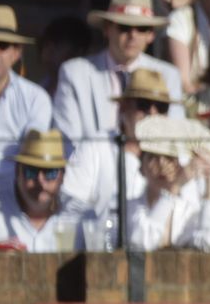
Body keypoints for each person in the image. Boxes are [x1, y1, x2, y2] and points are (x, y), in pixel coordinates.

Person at [53, 0, 184, 144]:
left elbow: (175, 137)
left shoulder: (168, 75)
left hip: (149, 166)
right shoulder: (75, 73)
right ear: (107, 29)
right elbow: (67, 140)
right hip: (92, 166)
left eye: (142, 28)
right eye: (124, 27)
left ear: (151, 35)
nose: (132, 35)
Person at [61, 68, 171, 216]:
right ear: (124, 107)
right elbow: (70, 203)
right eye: (143, 104)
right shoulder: (95, 145)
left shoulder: (177, 155)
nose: (153, 113)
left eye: (161, 107)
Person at [126, 114, 210, 250]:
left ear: (179, 165)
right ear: (142, 168)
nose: (162, 165)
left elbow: (207, 243)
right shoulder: (131, 209)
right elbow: (143, 242)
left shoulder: (187, 211)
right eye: (153, 158)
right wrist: (175, 187)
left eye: (169, 157)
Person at [0, 130, 85, 252]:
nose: (40, 180)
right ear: (18, 172)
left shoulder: (78, 216)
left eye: (50, 172)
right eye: (31, 171)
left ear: (62, 175)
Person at [0, 7, 52, 184]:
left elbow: (33, 154)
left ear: (16, 52)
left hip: (15, 199)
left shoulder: (35, 98)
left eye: (2, 46)